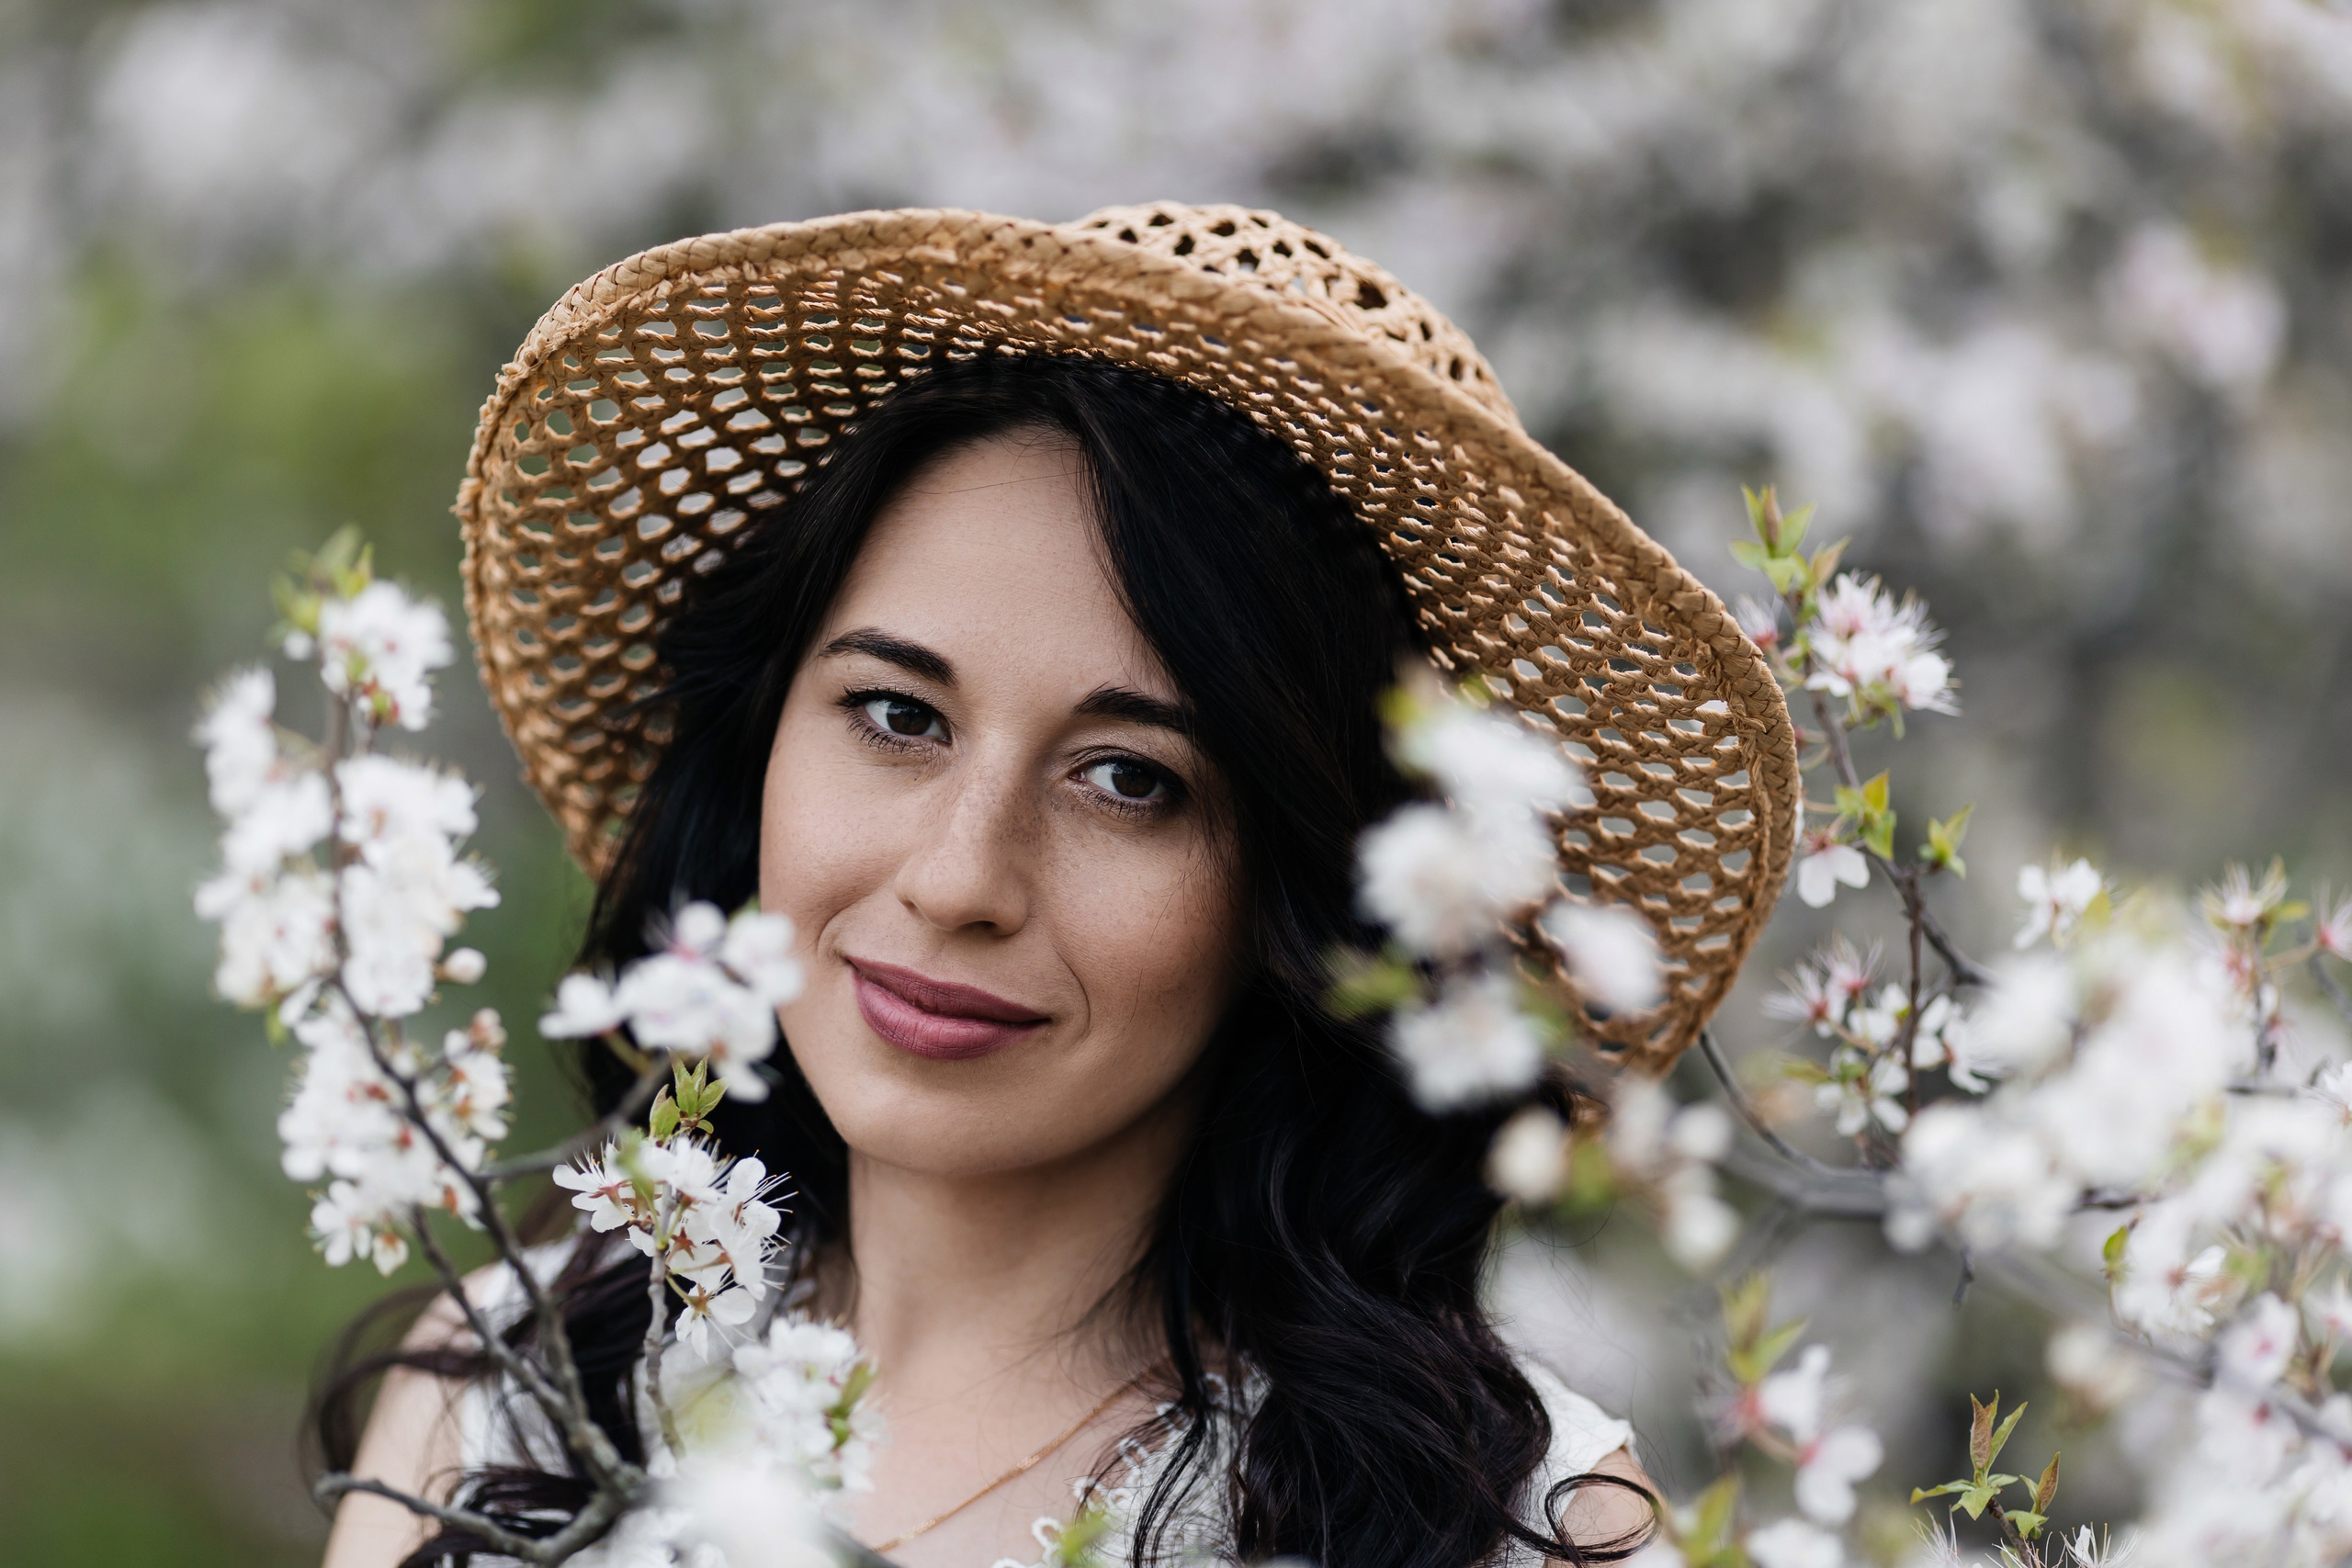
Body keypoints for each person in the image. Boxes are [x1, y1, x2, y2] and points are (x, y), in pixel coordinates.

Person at [315, 204, 1801, 1568]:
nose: (962, 878)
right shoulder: (508, 1398)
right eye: (898, 715)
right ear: (763, 737)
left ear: (1317, 894)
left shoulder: (1500, 1529)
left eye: (1131, 780)